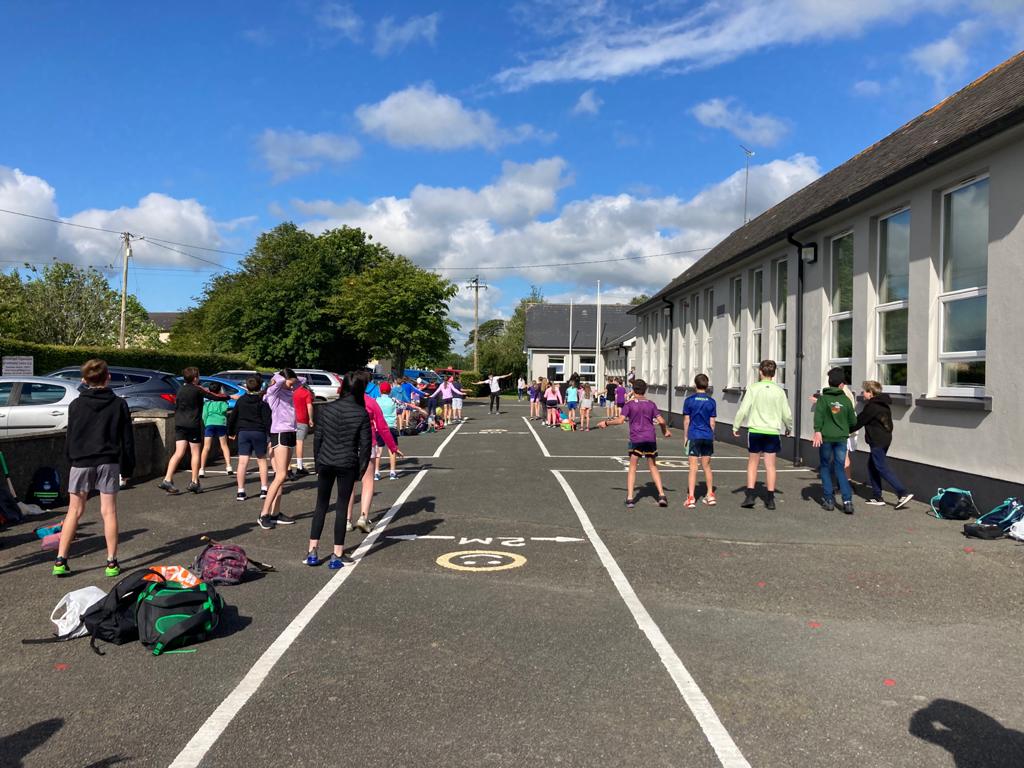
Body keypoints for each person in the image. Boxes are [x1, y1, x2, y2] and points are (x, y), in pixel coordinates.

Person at [52, 359, 135, 577]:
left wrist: (71, 459)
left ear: (84, 380)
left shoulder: (76, 405)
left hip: (81, 461)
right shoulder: (119, 404)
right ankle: (111, 562)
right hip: (108, 461)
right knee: (109, 511)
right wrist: (127, 468)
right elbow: (127, 440)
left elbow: (70, 436)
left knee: (74, 511)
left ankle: (61, 559)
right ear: (108, 377)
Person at [305, 372, 371, 569]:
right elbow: (365, 445)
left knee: (321, 505)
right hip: (347, 462)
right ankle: (337, 553)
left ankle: (312, 551)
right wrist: (361, 469)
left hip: (326, 459)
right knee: (342, 506)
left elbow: (318, 438)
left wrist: (317, 462)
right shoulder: (361, 413)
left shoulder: (326, 409)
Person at [598, 379, 670, 508]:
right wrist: (665, 431)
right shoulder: (651, 404)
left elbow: (620, 420)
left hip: (636, 438)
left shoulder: (629, 405)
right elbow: (662, 421)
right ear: (645, 390)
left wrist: (606, 423)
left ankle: (630, 498)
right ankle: (662, 495)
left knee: (632, 467)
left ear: (633, 390)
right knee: (653, 466)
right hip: (650, 438)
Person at [347, 371, 403, 533]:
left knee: (349, 484)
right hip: (367, 444)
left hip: (348, 445)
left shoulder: (345, 402)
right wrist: (393, 447)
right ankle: (363, 517)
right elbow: (383, 427)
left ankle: (347, 519)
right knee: (368, 481)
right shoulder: (371, 402)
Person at [733, 360, 793, 510]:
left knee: (753, 463)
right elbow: (786, 413)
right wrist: (789, 427)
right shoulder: (779, 391)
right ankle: (770, 498)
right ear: (774, 373)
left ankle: (750, 495)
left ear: (760, 372)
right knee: (770, 465)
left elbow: (743, 409)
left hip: (755, 430)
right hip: (772, 431)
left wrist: (736, 425)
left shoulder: (753, 388)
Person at [159, 367, 228, 495]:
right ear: (195, 378)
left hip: (180, 424)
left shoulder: (180, 389)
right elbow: (213, 396)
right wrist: (229, 396)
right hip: (192, 424)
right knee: (195, 452)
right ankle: (194, 482)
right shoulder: (197, 389)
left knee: (178, 452)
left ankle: (167, 479)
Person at [851, 381, 914, 509]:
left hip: (877, 441)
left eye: (865, 391)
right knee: (872, 466)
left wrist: (844, 430)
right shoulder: (883, 405)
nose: (863, 393)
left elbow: (859, 421)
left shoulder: (872, 406)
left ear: (871, 392)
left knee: (881, 466)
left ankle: (902, 492)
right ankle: (877, 496)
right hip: (885, 439)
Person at [259, 369, 305, 529]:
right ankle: (264, 514)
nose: (293, 386)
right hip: (280, 433)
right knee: (280, 475)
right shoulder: (274, 393)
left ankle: (275, 513)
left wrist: (291, 379)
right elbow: (277, 382)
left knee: (282, 476)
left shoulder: (288, 390)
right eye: (290, 383)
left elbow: (302, 381)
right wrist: (280, 377)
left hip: (291, 432)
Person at [812, 367, 858, 514]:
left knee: (825, 466)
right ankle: (847, 501)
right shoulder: (846, 400)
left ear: (829, 382)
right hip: (841, 438)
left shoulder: (823, 399)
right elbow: (853, 421)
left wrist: (817, 431)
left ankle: (829, 500)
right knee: (840, 468)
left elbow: (818, 417)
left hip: (826, 438)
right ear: (841, 384)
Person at [227, 376, 271, 502]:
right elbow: (267, 420)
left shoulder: (241, 401)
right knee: (261, 460)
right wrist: (270, 435)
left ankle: (240, 491)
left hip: (243, 432)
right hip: (258, 432)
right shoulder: (262, 402)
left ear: (246, 386)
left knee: (242, 462)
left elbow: (233, 417)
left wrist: (231, 432)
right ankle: (264, 489)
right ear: (260, 387)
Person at [683, 373, 717, 508]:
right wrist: (711, 436)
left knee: (693, 467)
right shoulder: (711, 401)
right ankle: (710, 495)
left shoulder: (689, 400)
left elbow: (687, 420)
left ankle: (691, 497)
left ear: (695, 385)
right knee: (707, 466)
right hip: (707, 436)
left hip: (694, 435)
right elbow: (712, 422)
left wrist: (685, 436)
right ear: (707, 386)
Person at [199, 382, 232, 478]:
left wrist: (206, 423)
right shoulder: (223, 402)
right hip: (221, 423)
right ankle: (228, 466)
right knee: (224, 445)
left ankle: (202, 469)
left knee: (206, 447)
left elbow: (204, 415)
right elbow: (225, 410)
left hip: (209, 423)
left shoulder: (207, 403)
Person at [374, 382, 402, 480]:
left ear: (380, 390)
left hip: (379, 427)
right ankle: (392, 472)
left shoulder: (376, 400)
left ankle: (376, 472)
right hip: (391, 427)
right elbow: (402, 407)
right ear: (390, 391)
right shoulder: (393, 400)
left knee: (378, 450)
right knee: (392, 450)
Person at [293, 380, 314, 475]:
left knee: (288, 445)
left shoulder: (290, 392)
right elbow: (309, 406)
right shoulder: (305, 392)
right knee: (299, 442)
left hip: (290, 420)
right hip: (302, 419)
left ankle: (287, 468)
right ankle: (299, 466)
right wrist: (311, 419)